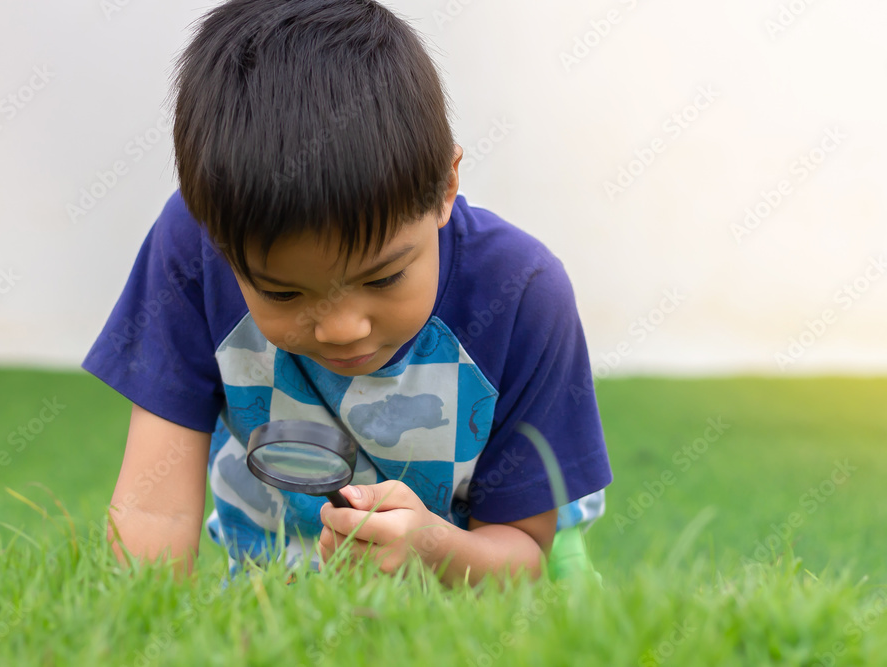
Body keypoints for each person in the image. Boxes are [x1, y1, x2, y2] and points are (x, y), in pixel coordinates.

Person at [82, 0, 612, 587]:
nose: (341, 329)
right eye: (283, 293)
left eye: (383, 279)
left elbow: (523, 554)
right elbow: (154, 508)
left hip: (483, 573)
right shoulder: (194, 246)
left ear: (446, 185)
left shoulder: (522, 292)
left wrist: (431, 546)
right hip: (281, 593)